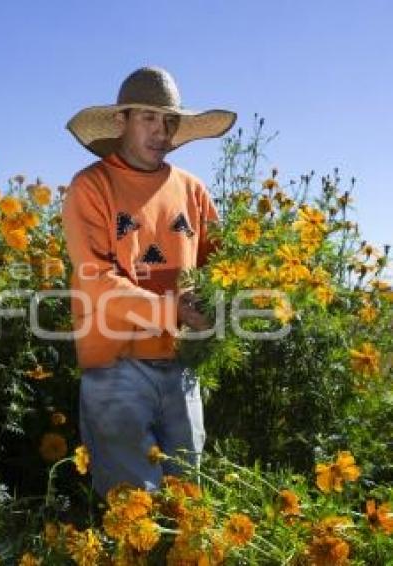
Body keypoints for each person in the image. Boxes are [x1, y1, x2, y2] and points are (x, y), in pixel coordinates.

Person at [61, 66, 236, 495]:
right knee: (133, 510)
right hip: (114, 367)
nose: (162, 132)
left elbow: (221, 268)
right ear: (122, 120)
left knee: (187, 501)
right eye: (149, 118)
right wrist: (170, 309)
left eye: (170, 121)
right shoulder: (91, 188)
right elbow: (96, 280)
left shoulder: (192, 191)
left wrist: (224, 300)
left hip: (182, 365)